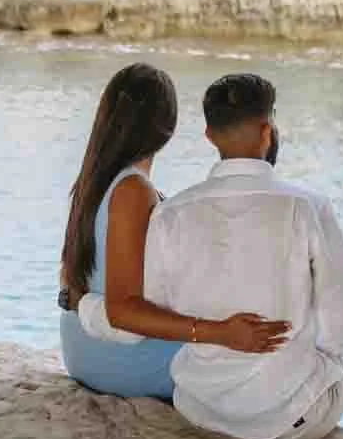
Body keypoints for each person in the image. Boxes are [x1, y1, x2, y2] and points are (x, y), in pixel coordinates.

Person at [143, 72, 343, 439]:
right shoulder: (306, 206)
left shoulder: (171, 213)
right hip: (287, 423)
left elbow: (153, 310)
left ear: (209, 136)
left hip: (200, 410)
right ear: (268, 131)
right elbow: (342, 329)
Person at [57, 62, 289, 398]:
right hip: (122, 364)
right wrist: (219, 332)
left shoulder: (94, 180)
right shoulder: (132, 192)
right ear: (169, 127)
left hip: (82, 350)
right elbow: (123, 311)